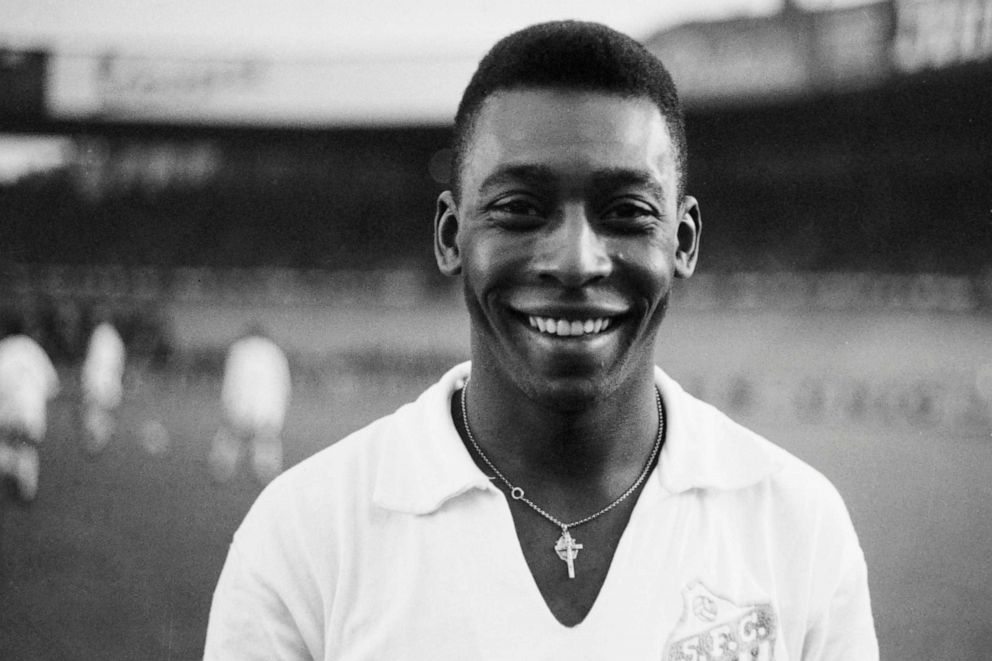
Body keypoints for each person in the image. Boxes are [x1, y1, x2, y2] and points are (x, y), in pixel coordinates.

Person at [205, 21, 878, 659]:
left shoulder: (796, 525)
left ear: (683, 240)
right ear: (450, 236)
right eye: (520, 209)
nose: (577, 261)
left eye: (627, 212)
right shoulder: (304, 536)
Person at [208, 330, 292, 484]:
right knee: (265, 437)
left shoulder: (240, 349)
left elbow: (232, 379)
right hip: (268, 401)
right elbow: (283, 381)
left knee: (234, 434)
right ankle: (266, 471)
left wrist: (228, 401)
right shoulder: (273, 350)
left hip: (244, 399)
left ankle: (223, 468)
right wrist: (281, 403)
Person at [0, 331, 59, 503]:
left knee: (7, 447)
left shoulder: (5, 349)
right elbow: (53, 387)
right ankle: (25, 486)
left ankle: (15, 470)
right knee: (26, 448)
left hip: (7, 414)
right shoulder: (35, 350)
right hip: (33, 415)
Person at [80, 320, 126, 455]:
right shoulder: (109, 338)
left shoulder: (106, 338)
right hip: (103, 385)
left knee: (98, 412)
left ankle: (97, 438)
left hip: (101, 384)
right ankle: (97, 438)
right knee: (99, 413)